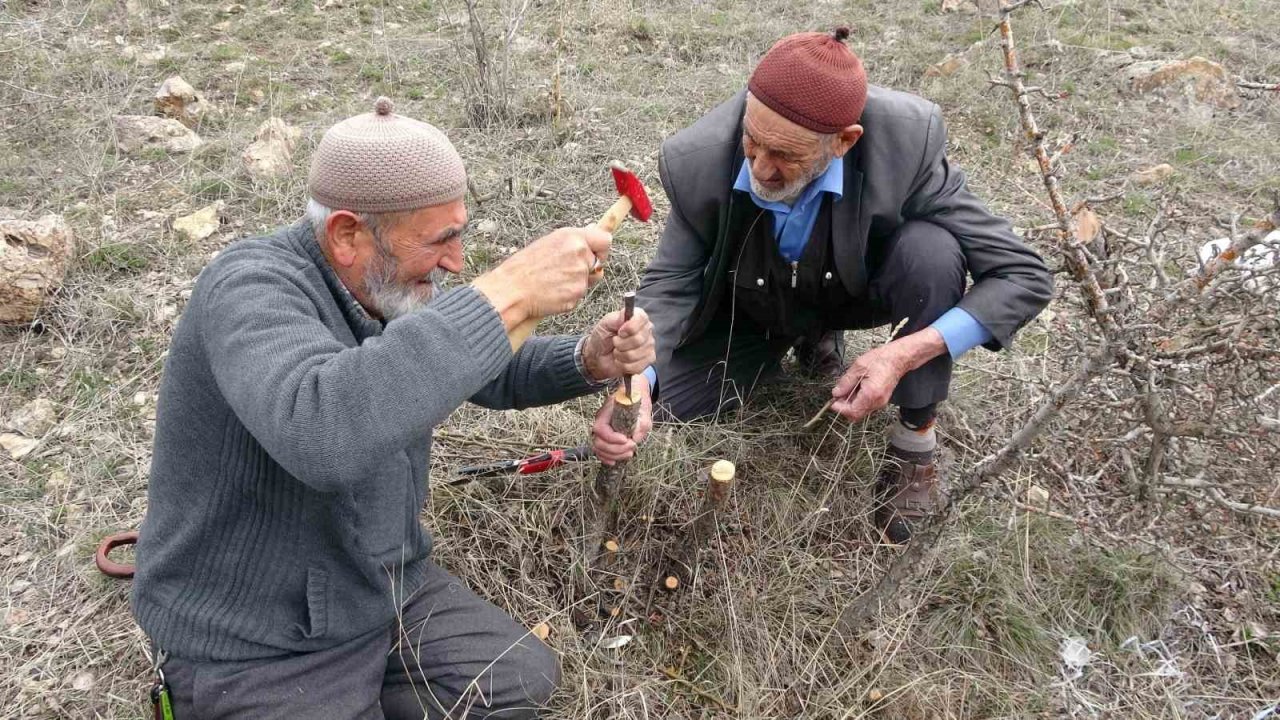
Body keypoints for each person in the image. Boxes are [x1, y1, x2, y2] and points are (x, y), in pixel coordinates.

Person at [130, 96, 655, 719]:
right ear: (347, 234)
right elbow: (321, 427)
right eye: (442, 239)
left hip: (374, 586)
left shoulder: (382, 284)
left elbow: (456, 361)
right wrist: (509, 290)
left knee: (517, 678)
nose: (458, 261)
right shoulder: (248, 289)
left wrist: (586, 360)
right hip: (256, 633)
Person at [605, 28, 1052, 544]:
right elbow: (671, 282)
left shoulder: (906, 145)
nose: (759, 169)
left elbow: (1024, 274)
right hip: (752, 302)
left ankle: (914, 439)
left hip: (852, 291)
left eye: (785, 155)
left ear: (845, 141)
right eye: (752, 142)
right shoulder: (695, 159)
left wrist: (905, 353)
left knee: (931, 251)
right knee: (666, 408)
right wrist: (641, 376)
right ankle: (797, 339)